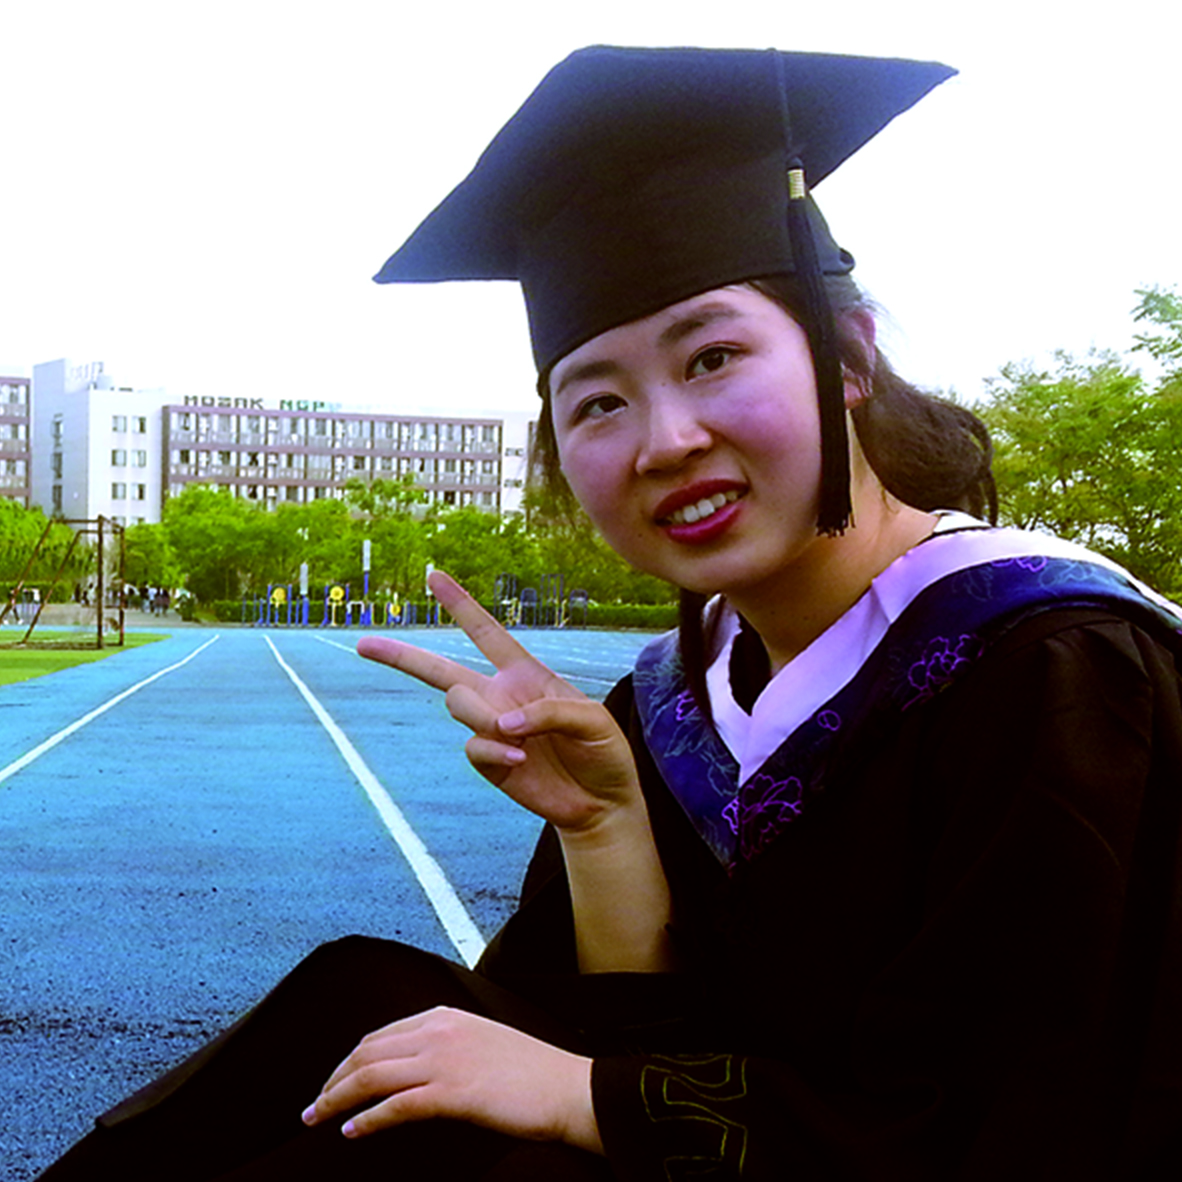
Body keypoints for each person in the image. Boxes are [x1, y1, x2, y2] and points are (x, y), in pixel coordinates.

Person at [39, 46, 1182, 1180]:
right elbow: (648, 1032)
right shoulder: (677, 699)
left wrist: (592, 1097)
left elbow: (1024, 1130)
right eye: (597, 403)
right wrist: (605, 832)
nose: (666, 440)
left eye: (714, 356)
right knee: (364, 1010)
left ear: (847, 359)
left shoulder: (1057, 671)